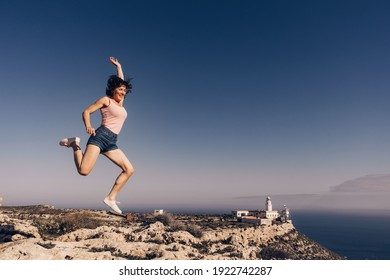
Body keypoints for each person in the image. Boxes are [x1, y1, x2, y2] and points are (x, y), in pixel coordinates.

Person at [59, 57, 134, 214]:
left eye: (124, 90)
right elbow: (86, 111)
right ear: (113, 89)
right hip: (100, 137)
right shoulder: (106, 100)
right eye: (120, 89)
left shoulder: (121, 104)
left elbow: (121, 81)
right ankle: (74, 144)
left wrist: (119, 66)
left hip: (112, 142)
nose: (122, 92)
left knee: (129, 170)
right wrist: (88, 126)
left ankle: (110, 198)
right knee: (84, 171)